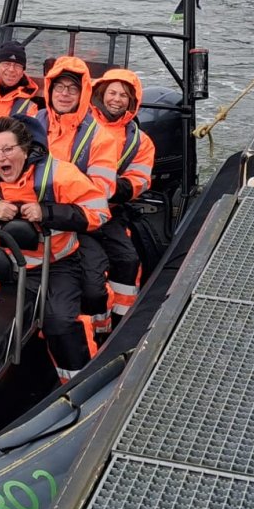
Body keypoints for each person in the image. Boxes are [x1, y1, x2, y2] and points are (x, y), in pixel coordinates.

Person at [0, 115, 109, 381]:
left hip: (56, 264)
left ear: (25, 150)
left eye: (8, 149)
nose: (1, 157)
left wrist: (47, 212)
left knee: (61, 323)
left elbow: (99, 213)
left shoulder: (60, 174)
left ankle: (79, 384)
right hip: (1, 267)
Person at [40, 55, 122, 329]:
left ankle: (99, 331)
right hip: (30, 219)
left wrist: (53, 204)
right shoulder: (29, 125)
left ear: (83, 93)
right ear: (49, 90)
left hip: (81, 225)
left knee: (92, 288)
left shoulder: (101, 137)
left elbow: (101, 190)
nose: (64, 94)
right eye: (59, 87)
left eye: (72, 89)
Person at [90, 69, 154, 330]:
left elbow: (140, 180)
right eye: (112, 93)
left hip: (110, 210)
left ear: (132, 101)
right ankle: (96, 323)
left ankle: (119, 325)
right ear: (100, 94)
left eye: (123, 95)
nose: (116, 99)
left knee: (127, 259)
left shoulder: (140, 142)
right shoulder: (81, 125)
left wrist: (106, 188)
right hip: (71, 209)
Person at [0, 40, 40, 119]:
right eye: (6, 64)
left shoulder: (29, 108)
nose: (11, 69)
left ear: (22, 73)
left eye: (17, 66)